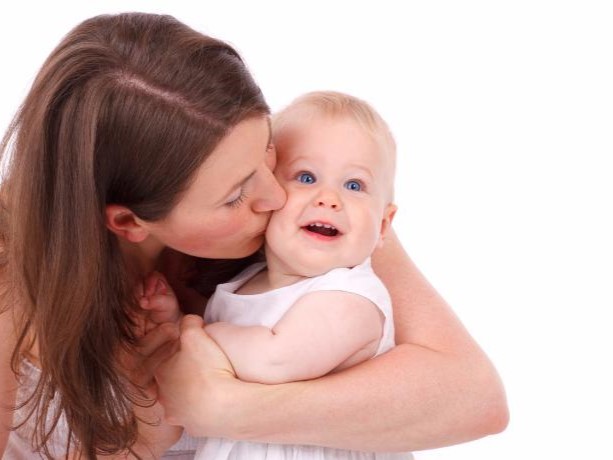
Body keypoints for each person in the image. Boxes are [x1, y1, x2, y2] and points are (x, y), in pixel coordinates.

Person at [0, 11, 508, 460]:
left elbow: (474, 399)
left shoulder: (317, 204)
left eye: (268, 149)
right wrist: (139, 441)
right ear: (129, 222)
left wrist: (229, 406)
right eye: (235, 195)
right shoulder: (12, 268)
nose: (276, 195)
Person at [144, 91, 407, 459]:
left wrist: (192, 333)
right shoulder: (247, 281)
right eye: (306, 176)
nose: (329, 198)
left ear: (382, 225)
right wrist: (174, 320)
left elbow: (272, 359)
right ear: (266, 193)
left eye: (354, 185)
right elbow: (225, 346)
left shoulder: (350, 297)